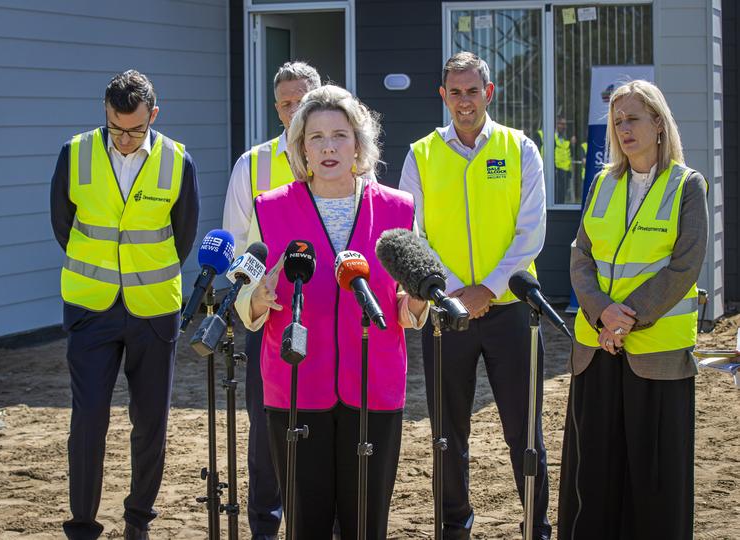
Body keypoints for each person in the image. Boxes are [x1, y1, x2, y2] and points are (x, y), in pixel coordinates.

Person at [234, 85, 429, 539]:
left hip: (374, 387)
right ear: (300, 147)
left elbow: (404, 308)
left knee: (366, 524)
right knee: (307, 524)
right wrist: (256, 299)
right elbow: (243, 295)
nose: (327, 147)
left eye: (339, 135)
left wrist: (416, 302)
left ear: (358, 144)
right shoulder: (269, 209)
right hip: (296, 386)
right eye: (315, 137)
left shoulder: (398, 209)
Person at [399, 51, 550, 540]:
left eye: (473, 91)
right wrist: (450, 291)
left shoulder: (520, 148)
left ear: (490, 93)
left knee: (525, 433)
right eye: (455, 92)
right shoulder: (420, 154)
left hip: (511, 314)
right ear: (443, 96)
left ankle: (538, 526)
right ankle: (454, 526)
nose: (464, 101)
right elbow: (411, 232)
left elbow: (531, 232)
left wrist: (488, 288)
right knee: (447, 435)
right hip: (447, 315)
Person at [50, 70, 200, 540]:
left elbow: (184, 235)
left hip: (154, 309)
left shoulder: (178, 161)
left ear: (153, 116)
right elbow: (63, 223)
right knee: (89, 417)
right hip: (90, 308)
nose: (125, 138)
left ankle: (139, 519)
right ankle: (82, 525)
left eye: (135, 128)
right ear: (105, 113)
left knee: (150, 420)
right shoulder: (75, 153)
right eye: (116, 127)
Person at [558, 80, 707, 539]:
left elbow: (685, 265)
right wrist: (602, 312)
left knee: (655, 482)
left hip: (657, 357)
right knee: (595, 477)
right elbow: (581, 256)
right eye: (617, 121)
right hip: (595, 347)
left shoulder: (687, 184)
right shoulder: (603, 182)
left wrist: (629, 316)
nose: (623, 128)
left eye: (633, 118)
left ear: (659, 124)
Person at [222, 60, 321, 540]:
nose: (295, 108)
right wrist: (255, 297)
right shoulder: (253, 164)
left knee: (328, 426)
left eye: (303, 98)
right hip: (270, 318)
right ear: (277, 107)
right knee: (265, 430)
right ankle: (265, 526)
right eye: (286, 102)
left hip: (330, 312)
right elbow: (239, 245)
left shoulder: (346, 154)